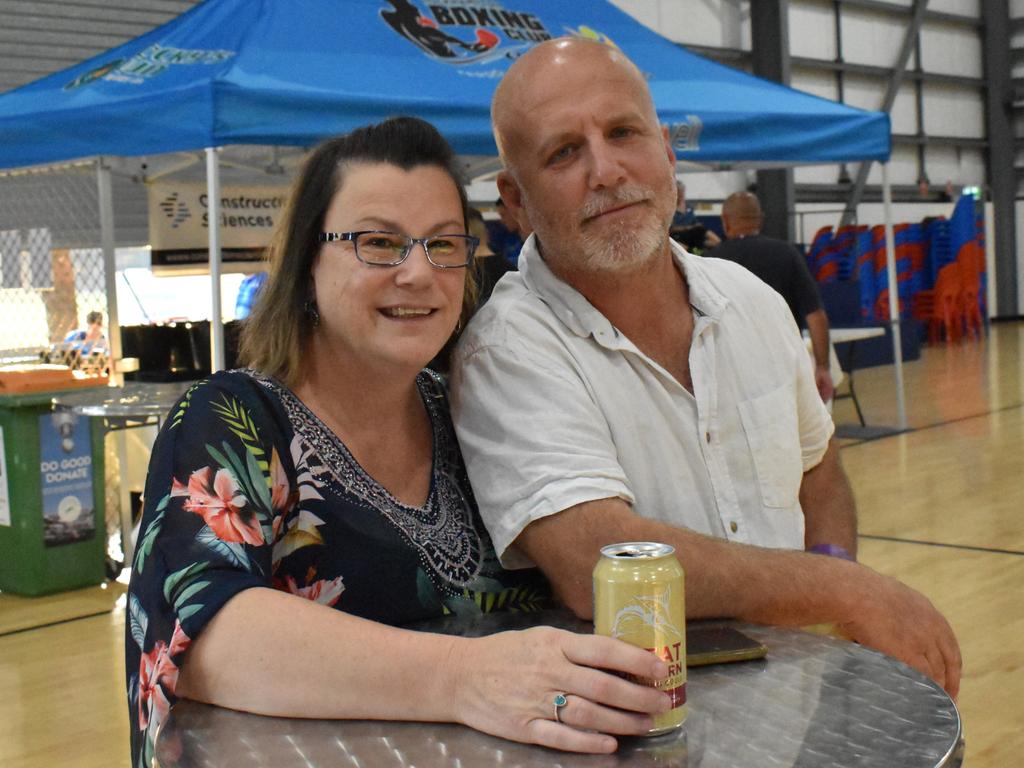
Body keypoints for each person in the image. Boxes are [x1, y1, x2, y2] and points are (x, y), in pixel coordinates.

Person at [125, 117, 673, 768]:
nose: (419, 273)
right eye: (379, 243)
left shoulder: (481, 413)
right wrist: (465, 676)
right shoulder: (232, 421)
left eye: (444, 245)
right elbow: (207, 636)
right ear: (305, 263)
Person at [450, 38, 960, 697]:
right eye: (564, 152)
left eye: (622, 132)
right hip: (651, 733)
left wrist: (829, 601)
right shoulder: (509, 348)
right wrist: (845, 589)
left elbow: (819, 471)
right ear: (514, 201)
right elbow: (593, 558)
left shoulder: (753, 303)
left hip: (796, 710)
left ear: (665, 148)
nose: (604, 170)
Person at [710, 191, 834, 402]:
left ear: (725, 220)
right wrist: (822, 367)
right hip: (783, 368)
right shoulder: (787, 254)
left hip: (732, 375)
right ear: (760, 219)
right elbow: (816, 316)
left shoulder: (711, 262)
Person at [669, 180, 720, 254]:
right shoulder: (670, 208)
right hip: (680, 235)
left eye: (682, 192)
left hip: (694, 232)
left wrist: (697, 225)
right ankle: (694, 247)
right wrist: (687, 228)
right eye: (679, 193)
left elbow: (694, 221)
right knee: (683, 249)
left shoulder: (688, 206)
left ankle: (699, 245)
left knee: (716, 241)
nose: (681, 195)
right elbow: (671, 229)